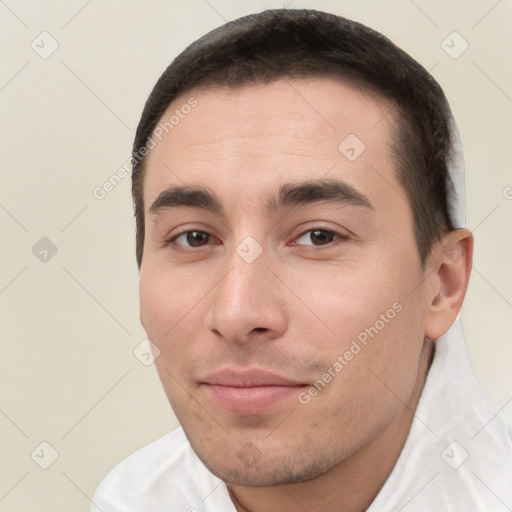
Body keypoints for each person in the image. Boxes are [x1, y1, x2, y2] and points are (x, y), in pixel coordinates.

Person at [91, 8, 512, 512]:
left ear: (442, 284)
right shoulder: (130, 499)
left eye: (318, 236)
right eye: (195, 237)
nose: (238, 314)